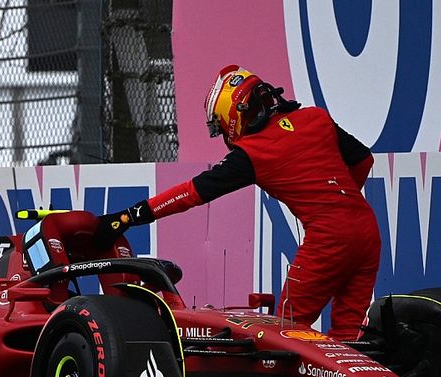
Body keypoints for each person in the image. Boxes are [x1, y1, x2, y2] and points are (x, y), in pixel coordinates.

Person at [95, 65, 380, 342]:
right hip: (367, 229)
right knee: (348, 335)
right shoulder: (315, 118)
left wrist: (127, 217)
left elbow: (191, 193)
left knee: (289, 333)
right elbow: (363, 159)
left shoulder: (253, 154)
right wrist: (338, 206)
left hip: (328, 238)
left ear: (232, 115)